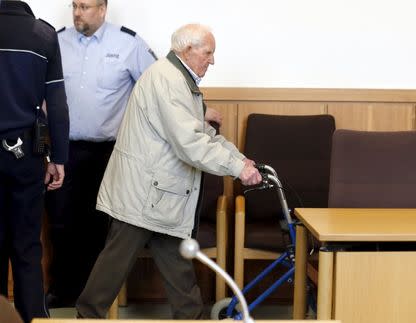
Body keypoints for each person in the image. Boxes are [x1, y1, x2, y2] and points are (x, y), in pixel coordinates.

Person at [76, 23, 262, 319]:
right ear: (187, 51)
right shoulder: (168, 80)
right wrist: (237, 169)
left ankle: (190, 318)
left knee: (179, 269)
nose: (211, 60)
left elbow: (202, 133)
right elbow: (189, 143)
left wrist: (242, 160)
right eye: (207, 53)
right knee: (112, 269)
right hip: (142, 195)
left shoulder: (178, 80)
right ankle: (86, 318)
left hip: (161, 196)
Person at [44, 0, 158, 307]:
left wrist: (198, 110)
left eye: (86, 6)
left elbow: (159, 86)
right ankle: (64, 290)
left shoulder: (127, 43)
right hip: (63, 151)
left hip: (108, 152)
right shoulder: (56, 41)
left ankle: (95, 296)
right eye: (75, 6)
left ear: (103, 9)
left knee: (100, 225)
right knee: (61, 222)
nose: (78, 12)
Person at [0, 1, 69, 322]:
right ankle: (33, 319)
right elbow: (56, 103)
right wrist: (60, 159)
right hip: (25, 154)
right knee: (27, 247)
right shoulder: (42, 33)